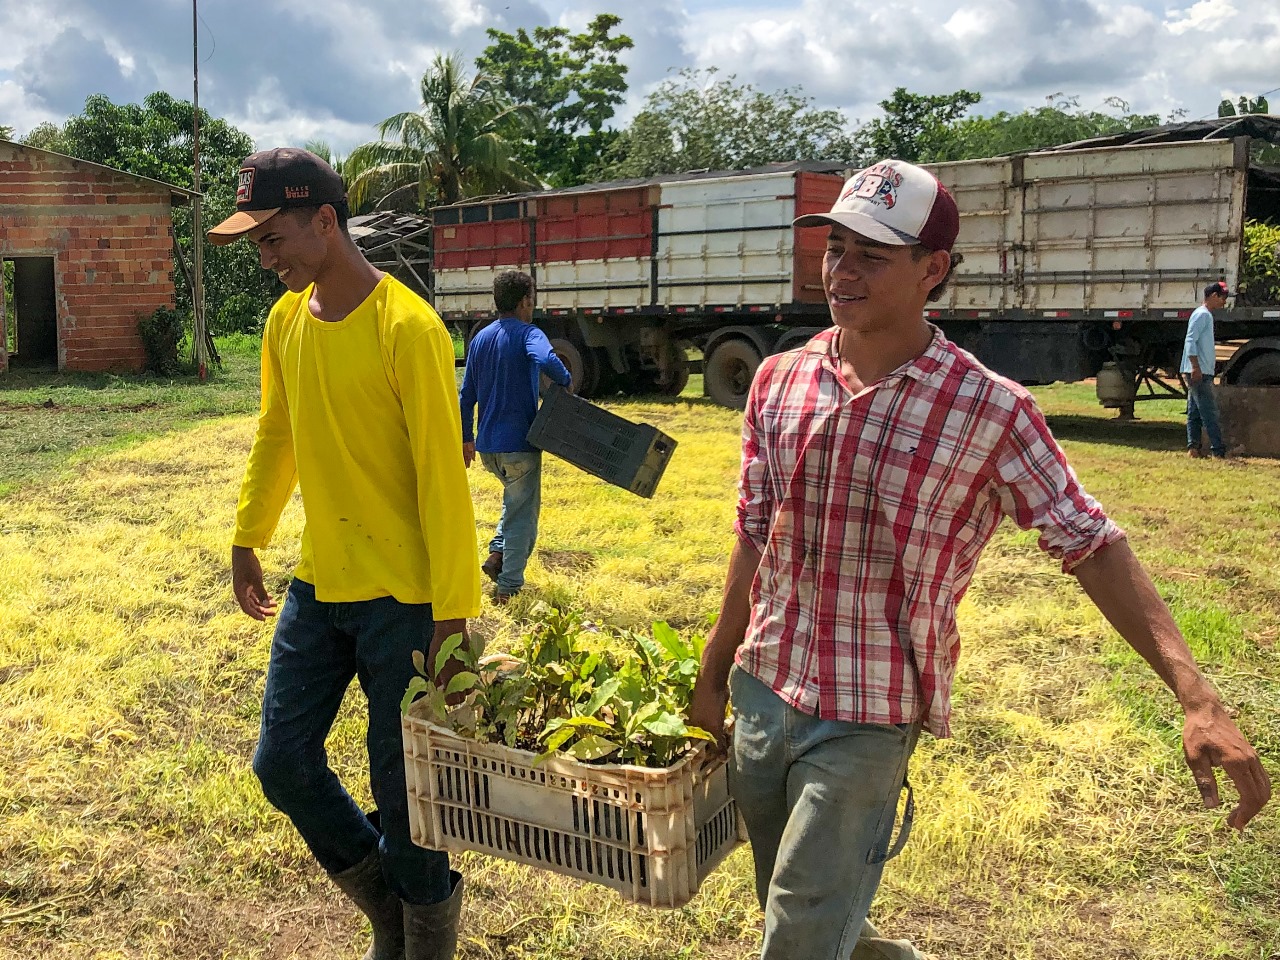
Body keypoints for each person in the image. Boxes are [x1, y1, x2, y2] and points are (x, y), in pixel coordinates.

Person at [687, 159, 1270, 960]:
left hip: (869, 708)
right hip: (765, 685)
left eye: (872, 255)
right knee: (797, 910)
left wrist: (1195, 693)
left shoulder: (989, 409)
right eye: (836, 248)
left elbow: (1091, 543)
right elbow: (755, 528)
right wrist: (717, 665)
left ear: (935, 271)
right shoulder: (781, 379)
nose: (841, 271)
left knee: (799, 926)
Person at [212, 147, 480, 960]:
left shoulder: (409, 329)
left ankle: (422, 942)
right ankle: (391, 914)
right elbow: (278, 433)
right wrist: (248, 533)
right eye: (256, 245)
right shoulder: (285, 322)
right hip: (319, 585)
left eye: (273, 238)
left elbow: (443, 478)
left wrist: (454, 613)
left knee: (409, 798)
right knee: (282, 764)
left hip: (402, 599)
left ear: (325, 221)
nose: (267, 259)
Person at [458, 270, 571, 603]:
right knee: (524, 517)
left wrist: (467, 437)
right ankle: (508, 589)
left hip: (489, 447)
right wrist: (564, 382)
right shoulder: (528, 333)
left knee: (515, 501)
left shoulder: (479, 339)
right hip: (520, 443)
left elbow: (466, 395)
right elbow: (547, 359)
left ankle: (496, 555)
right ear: (525, 301)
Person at [1183, 281, 1230, 458]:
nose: (1224, 302)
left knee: (1194, 411)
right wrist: (1195, 366)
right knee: (1209, 412)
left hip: (1200, 369)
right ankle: (1218, 450)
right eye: (1222, 297)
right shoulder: (1203, 315)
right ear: (1212, 296)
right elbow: (1190, 341)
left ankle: (1193, 448)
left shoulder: (1204, 315)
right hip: (1199, 371)